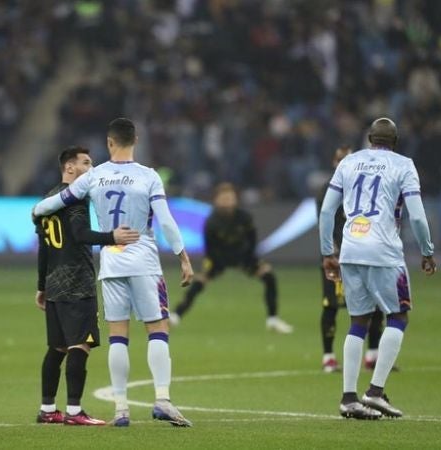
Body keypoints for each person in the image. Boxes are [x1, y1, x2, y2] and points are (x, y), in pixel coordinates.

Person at [33, 118, 195, 427]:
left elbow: (56, 202)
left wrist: (36, 211)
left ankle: (121, 408)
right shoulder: (149, 176)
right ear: (135, 141)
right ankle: (162, 399)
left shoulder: (95, 176)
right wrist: (183, 257)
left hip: (111, 263)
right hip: (144, 260)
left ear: (110, 143)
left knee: (118, 336)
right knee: (157, 329)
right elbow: (166, 220)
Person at [319, 118, 437, 420]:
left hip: (350, 249)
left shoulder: (348, 162)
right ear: (395, 141)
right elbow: (418, 218)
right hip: (384, 252)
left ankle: (348, 398)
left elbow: (327, 210)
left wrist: (326, 253)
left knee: (358, 321)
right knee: (398, 316)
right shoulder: (404, 165)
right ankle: (374, 392)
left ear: (369, 138)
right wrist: (427, 251)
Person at [35, 146, 140, 426]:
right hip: (77, 284)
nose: (91, 168)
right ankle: (74, 411)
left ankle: (47, 409)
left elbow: (43, 248)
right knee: (79, 346)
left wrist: (41, 285)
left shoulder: (48, 199)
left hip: (55, 284)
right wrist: (112, 236)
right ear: (69, 168)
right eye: (86, 163)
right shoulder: (75, 200)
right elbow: (81, 234)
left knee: (56, 349)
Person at [170, 182, 294, 334]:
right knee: (198, 282)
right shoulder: (212, 222)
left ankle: (273, 319)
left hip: (242, 255)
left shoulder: (245, 217)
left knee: (269, 276)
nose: (227, 202)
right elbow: (210, 249)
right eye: (224, 199)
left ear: (235, 199)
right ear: (217, 200)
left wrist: (248, 259)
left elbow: (252, 240)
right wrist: (218, 264)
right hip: (218, 258)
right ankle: (176, 314)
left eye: (230, 198)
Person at [317, 146, 384, 373]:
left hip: (364, 254)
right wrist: (331, 252)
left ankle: (372, 355)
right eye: (340, 159)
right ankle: (328, 357)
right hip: (337, 257)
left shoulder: (367, 187)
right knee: (332, 305)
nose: (345, 163)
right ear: (334, 163)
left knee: (375, 303)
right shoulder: (328, 190)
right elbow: (325, 221)